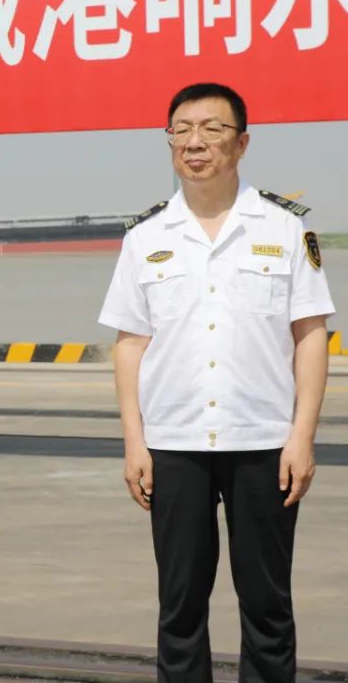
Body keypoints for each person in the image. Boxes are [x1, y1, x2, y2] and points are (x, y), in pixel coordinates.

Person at [98, 83, 335, 682]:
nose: (195, 142)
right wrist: (134, 442)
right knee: (179, 605)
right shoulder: (145, 237)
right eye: (181, 130)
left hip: (264, 443)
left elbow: (311, 336)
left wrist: (302, 437)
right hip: (174, 444)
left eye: (212, 129)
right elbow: (130, 345)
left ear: (242, 143)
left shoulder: (285, 229)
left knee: (267, 604)